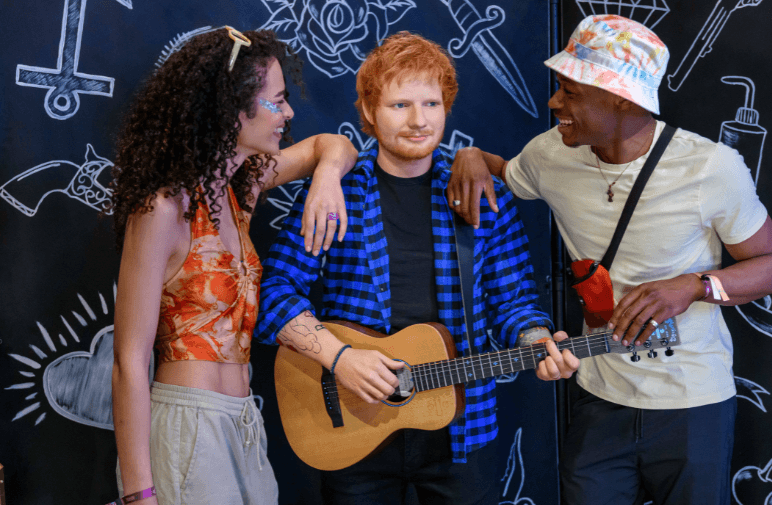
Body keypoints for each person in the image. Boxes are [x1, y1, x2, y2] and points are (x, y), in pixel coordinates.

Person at [446, 14, 772, 505]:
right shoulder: (550, 154)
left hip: (692, 404)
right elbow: (506, 173)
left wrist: (693, 286)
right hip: (598, 397)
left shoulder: (710, 167)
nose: (554, 103)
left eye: (570, 92)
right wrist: (472, 156)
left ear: (623, 99)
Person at [254, 31, 580, 504]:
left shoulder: (481, 193)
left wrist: (537, 342)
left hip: (462, 428)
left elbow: (514, 302)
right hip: (351, 424)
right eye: (400, 105)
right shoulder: (337, 191)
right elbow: (276, 290)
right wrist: (340, 358)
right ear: (369, 111)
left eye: (431, 104)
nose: (418, 120)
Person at [109, 27, 358, 505]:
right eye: (277, 101)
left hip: (243, 422)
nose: (288, 113)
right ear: (232, 109)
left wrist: (326, 179)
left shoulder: (239, 188)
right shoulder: (163, 209)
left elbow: (335, 145)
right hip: (188, 424)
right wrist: (139, 494)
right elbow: (129, 362)